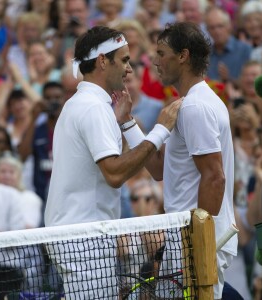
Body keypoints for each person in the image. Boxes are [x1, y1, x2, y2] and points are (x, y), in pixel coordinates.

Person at [44, 25, 182, 299]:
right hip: (83, 241)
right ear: (102, 61)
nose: (129, 69)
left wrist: (127, 123)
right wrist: (160, 130)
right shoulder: (93, 108)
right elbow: (115, 173)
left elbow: (141, 170)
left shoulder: (82, 103)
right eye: (124, 60)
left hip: (81, 237)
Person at [119, 22, 237, 299]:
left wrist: (198, 245)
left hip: (195, 242)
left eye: (161, 53)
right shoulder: (190, 103)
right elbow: (159, 169)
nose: (155, 62)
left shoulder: (195, 106)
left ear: (183, 56)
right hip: (185, 239)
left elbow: (214, 177)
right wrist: (127, 122)